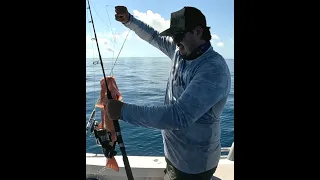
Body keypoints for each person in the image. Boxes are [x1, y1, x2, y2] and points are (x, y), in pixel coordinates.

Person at [105, 5, 231, 180]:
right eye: (173, 36)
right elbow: (154, 37)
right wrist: (129, 20)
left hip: (194, 165)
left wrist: (123, 111)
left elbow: (179, 116)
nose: (175, 41)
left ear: (197, 31)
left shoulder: (213, 70)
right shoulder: (180, 52)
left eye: (179, 36)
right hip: (173, 153)